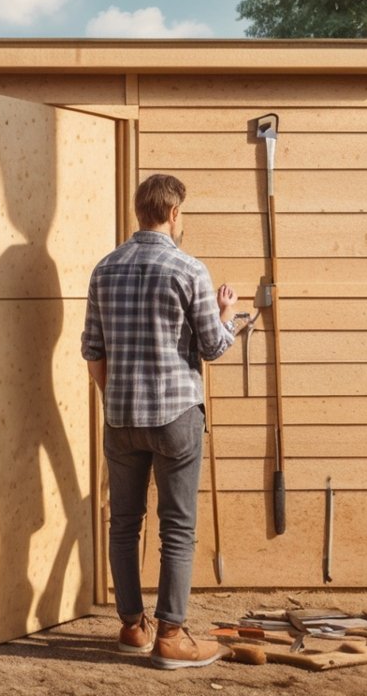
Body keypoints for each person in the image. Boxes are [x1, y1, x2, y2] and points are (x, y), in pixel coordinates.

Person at [81, 173, 237, 670]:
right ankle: (171, 635)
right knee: (177, 526)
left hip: (121, 418)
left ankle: (132, 628)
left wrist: (119, 400)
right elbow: (213, 346)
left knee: (123, 524)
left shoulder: (104, 270)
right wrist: (227, 313)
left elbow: (93, 352)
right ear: (173, 214)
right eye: (182, 213)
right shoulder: (189, 268)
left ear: (139, 211)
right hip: (176, 419)